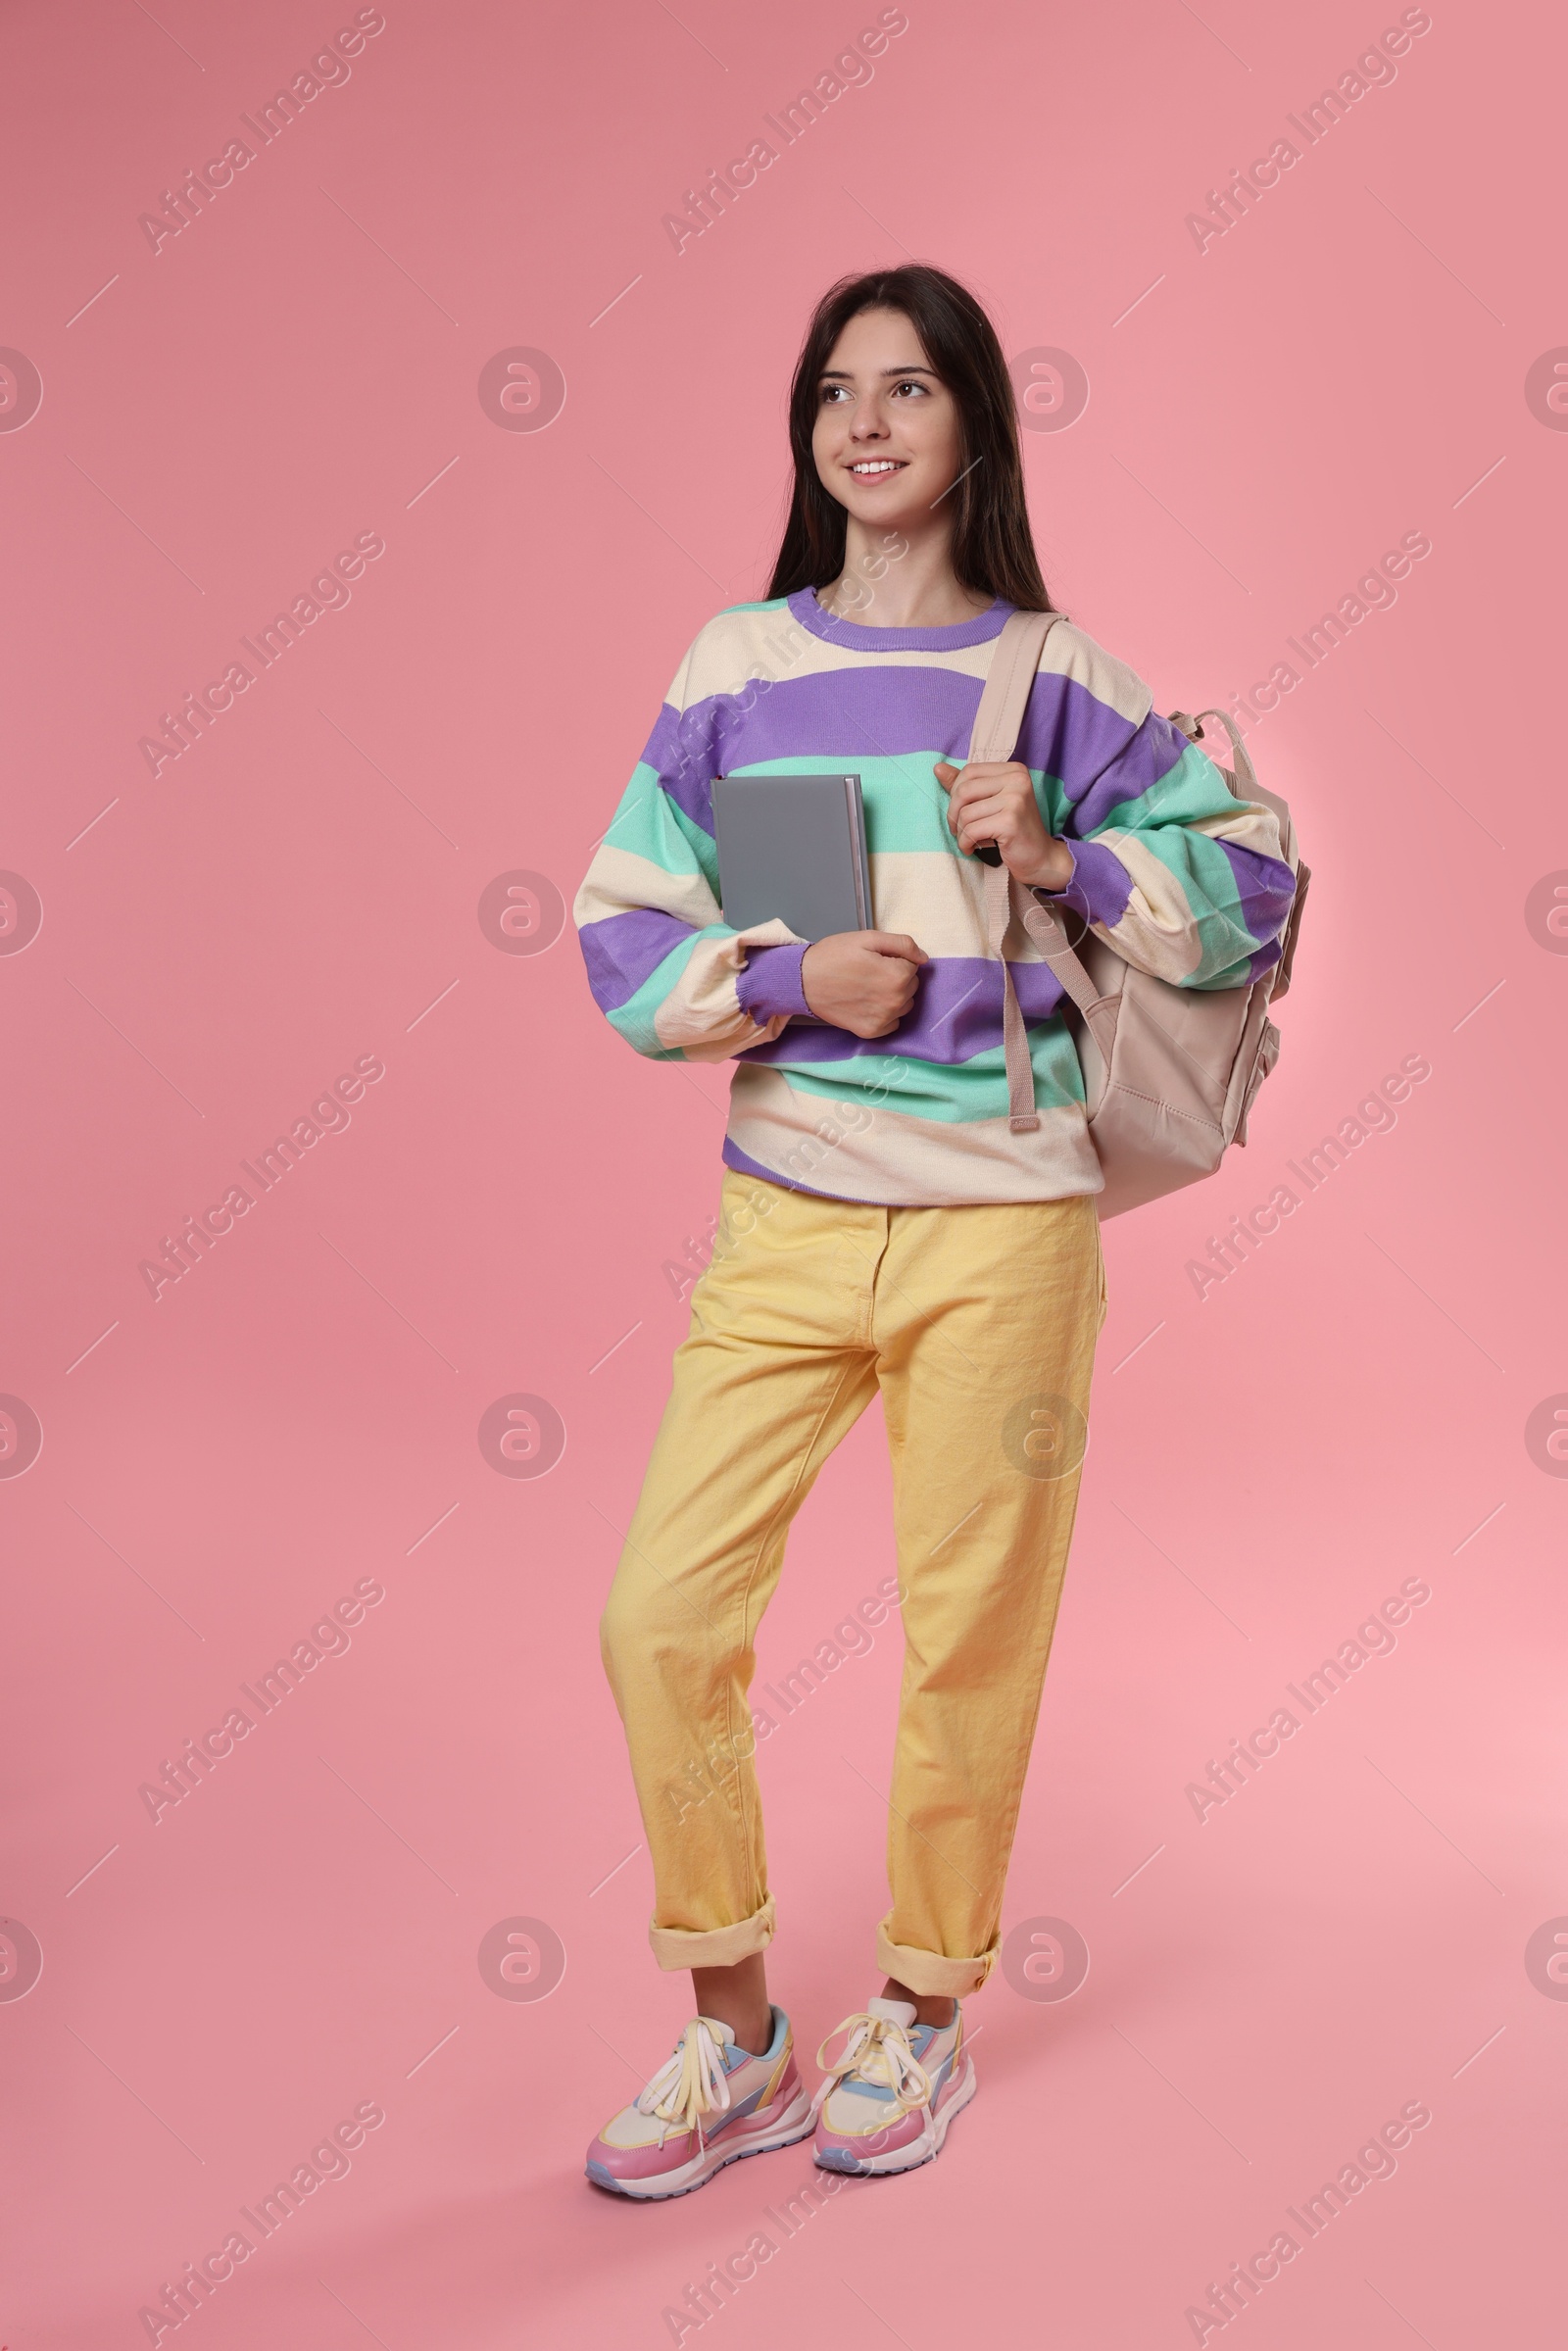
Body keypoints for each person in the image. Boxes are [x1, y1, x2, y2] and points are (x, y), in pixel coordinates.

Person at [574, 265, 1296, 2197]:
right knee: (659, 1617)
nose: (864, 423)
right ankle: (734, 2030)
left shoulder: (1055, 671)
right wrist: (791, 973)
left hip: (1003, 1229)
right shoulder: (735, 664)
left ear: (976, 420)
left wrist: (1063, 851)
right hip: (785, 1223)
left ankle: (922, 2007)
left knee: (965, 1636)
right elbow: (618, 931)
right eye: (831, 393)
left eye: (906, 388)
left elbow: (1247, 880)